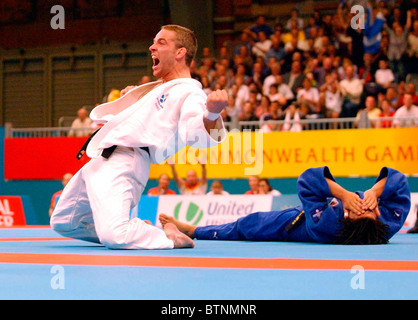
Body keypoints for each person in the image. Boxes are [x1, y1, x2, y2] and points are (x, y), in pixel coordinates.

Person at [50, 25, 228, 250]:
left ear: (180, 52)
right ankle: (137, 229)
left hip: (126, 160)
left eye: (162, 42)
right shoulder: (160, 87)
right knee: (65, 222)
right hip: (100, 160)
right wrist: (132, 102)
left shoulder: (189, 92)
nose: (152, 46)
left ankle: (168, 237)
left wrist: (212, 113)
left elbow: (196, 135)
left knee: (116, 236)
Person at [159, 166, 411, 245]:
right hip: (323, 213)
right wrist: (376, 191)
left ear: (347, 218)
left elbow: (308, 182)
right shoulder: (387, 223)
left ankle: (192, 231)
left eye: (360, 211)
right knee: (246, 224)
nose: (364, 206)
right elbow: (400, 182)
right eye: (371, 210)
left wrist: (344, 194)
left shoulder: (329, 225)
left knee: (246, 226)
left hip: (293, 224)